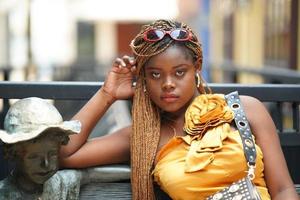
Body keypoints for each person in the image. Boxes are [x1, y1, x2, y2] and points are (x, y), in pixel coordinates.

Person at [59, 19, 298, 200]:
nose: (168, 83)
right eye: (155, 74)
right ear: (142, 78)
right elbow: (64, 154)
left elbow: (283, 189)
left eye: (179, 72)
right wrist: (107, 95)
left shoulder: (244, 109)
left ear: (197, 67)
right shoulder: (143, 137)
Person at [0, 97, 81, 200]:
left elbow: (89, 175)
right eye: (34, 157)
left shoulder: (61, 183)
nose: (46, 164)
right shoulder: (4, 194)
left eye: (53, 154)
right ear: (13, 154)